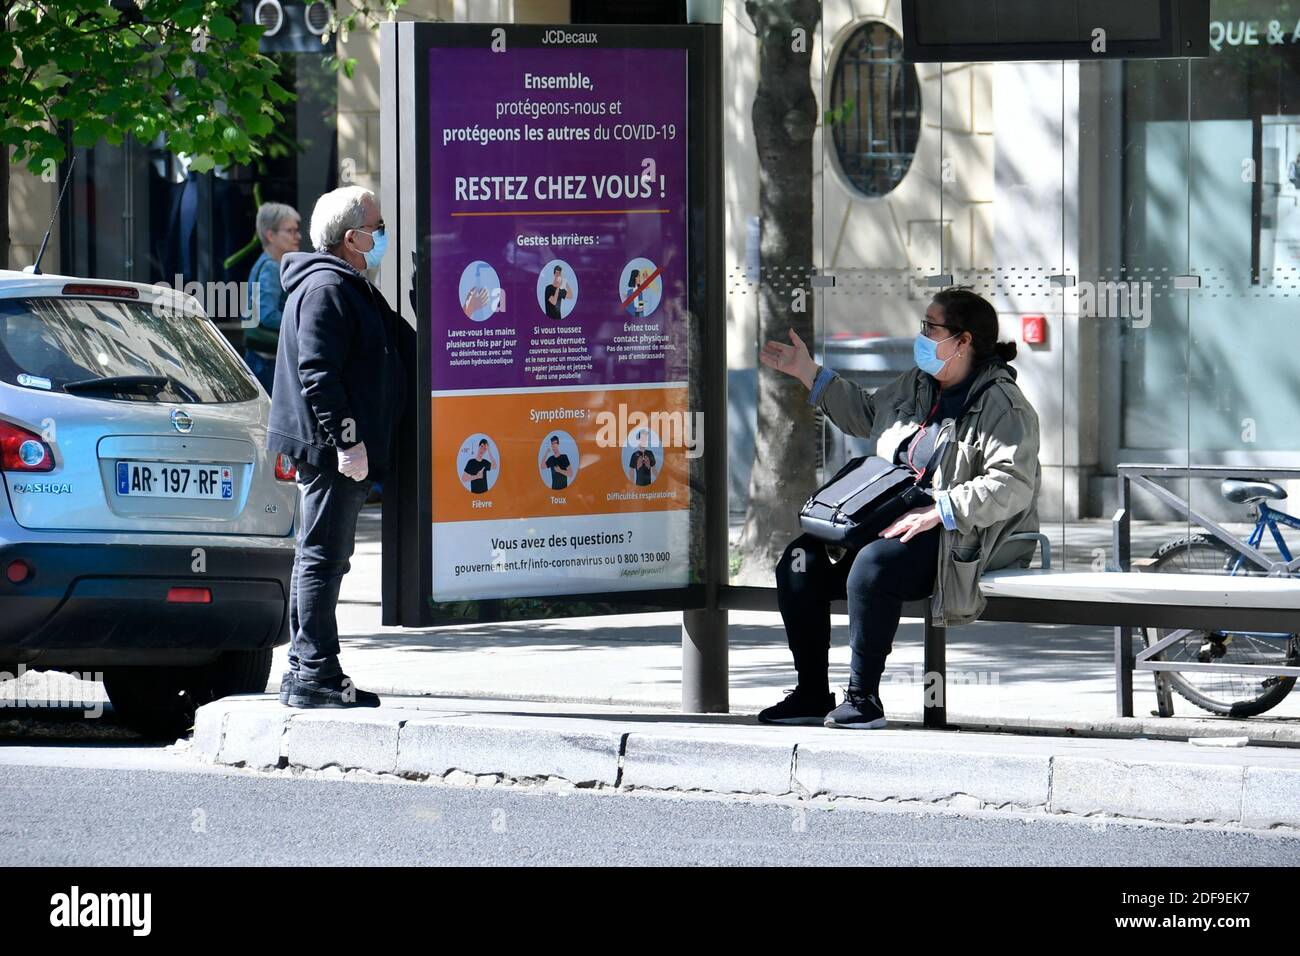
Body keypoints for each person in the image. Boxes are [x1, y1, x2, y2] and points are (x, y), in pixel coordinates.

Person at [757, 288, 1041, 730]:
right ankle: (812, 691)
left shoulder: (1004, 405)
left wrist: (940, 510)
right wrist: (808, 372)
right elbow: (869, 414)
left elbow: (1012, 484)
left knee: (873, 565)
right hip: (893, 516)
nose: (922, 335)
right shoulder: (918, 383)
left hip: (958, 534)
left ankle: (863, 699)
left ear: (963, 341)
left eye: (931, 327)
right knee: (799, 560)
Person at [267, 186, 405, 709]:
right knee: (324, 558)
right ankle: (316, 674)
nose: (384, 234)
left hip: (336, 448)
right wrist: (350, 442)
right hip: (331, 451)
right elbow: (318, 376)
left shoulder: (347, 283)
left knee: (320, 557)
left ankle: (305, 668)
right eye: (379, 225)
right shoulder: (327, 287)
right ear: (353, 238)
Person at [244, 202, 301, 395]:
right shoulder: (271, 267)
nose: (297, 236)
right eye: (290, 231)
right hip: (267, 362)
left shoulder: (269, 264)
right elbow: (266, 315)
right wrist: (301, 321)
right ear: (270, 235)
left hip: (264, 360)